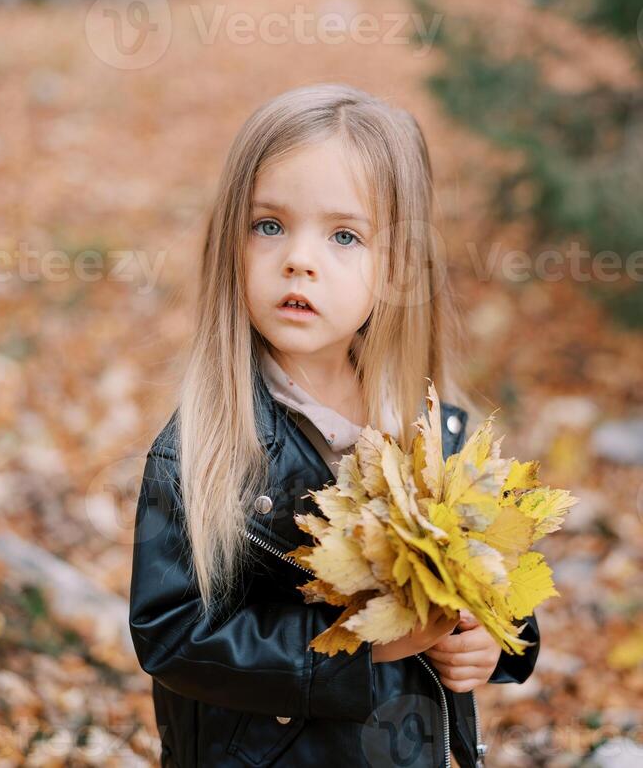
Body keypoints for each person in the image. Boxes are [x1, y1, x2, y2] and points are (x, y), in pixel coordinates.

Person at [129, 82, 540, 768]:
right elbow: (172, 636)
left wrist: (494, 640)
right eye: (269, 225)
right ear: (229, 240)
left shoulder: (434, 432)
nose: (300, 258)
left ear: (397, 268)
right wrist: (358, 643)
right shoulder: (209, 448)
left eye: (344, 235)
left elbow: (496, 580)